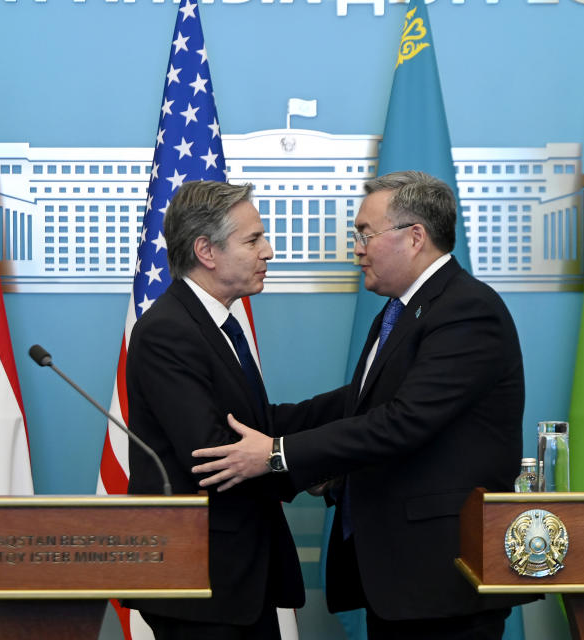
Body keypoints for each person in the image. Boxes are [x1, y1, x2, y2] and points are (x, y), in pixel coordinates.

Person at [192, 171, 533, 639]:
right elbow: (358, 405)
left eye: (364, 234)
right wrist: (267, 425)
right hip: (398, 576)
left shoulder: (466, 310)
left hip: (441, 577)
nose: (357, 247)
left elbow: (403, 422)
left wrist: (278, 453)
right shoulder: (401, 310)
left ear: (415, 237)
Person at [122, 180, 322, 639]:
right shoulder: (169, 331)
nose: (268, 251)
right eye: (253, 239)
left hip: (236, 579)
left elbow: (260, 427)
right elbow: (213, 455)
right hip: (202, 584)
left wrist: (361, 399)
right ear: (206, 251)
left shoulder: (217, 324)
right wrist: (310, 462)